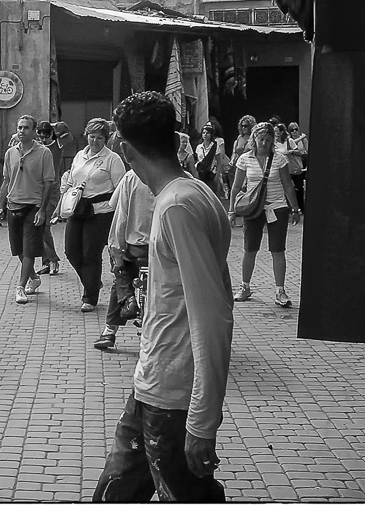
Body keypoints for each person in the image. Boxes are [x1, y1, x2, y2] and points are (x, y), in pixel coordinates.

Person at [93, 91, 233, 502]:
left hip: (173, 399)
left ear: (123, 147)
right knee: (112, 497)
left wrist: (202, 422)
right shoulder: (190, 193)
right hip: (151, 384)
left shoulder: (178, 206)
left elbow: (213, 315)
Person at [53, 118, 126, 312]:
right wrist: (60, 204)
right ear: (86, 136)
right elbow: (69, 182)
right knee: (71, 251)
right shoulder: (79, 156)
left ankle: (90, 297)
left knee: (90, 254)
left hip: (101, 211)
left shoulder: (112, 159)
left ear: (106, 139)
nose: (95, 141)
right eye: (92, 137)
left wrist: (117, 210)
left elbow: (121, 187)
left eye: (99, 138)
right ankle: (92, 282)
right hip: (78, 208)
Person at [228, 122, 302, 308]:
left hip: (277, 207)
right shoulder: (245, 159)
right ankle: (245, 286)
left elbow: (287, 185)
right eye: (261, 139)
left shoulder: (279, 159)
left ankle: (280, 290)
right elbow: (237, 186)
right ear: (254, 139)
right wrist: (232, 211)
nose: (264, 143)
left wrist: (295, 208)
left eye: (268, 140)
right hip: (253, 208)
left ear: (272, 141)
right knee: (250, 248)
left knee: (278, 249)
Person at [0, 115, 54, 305]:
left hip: (33, 207)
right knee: (18, 248)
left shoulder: (44, 153)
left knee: (29, 249)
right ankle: (34, 278)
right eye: (19, 127)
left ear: (34, 131)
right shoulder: (11, 153)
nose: (21, 131)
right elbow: (6, 181)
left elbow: (48, 183)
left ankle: (20, 286)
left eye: (26, 128)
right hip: (13, 205)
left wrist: (42, 210)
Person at [93, 168, 155, 350]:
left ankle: (110, 329)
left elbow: (118, 211)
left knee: (120, 270)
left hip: (137, 246)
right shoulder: (181, 177)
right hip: (165, 249)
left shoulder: (132, 176)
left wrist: (116, 248)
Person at [35, 122, 70, 275]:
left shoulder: (58, 145)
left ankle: (53, 260)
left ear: (51, 134)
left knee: (44, 226)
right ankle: (47, 263)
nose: (43, 140)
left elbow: (67, 133)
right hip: (38, 189)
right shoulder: (37, 147)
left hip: (52, 189)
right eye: (40, 136)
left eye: (46, 136)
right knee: (38, 227)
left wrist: (55, 124)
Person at [194, 122, 229, 198]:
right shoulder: (199, 147)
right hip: (201, 173)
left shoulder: (215, 147)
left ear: (211, 134)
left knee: (211, 196)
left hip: (211, 174)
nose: (205, 135)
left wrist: (217, 177)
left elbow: (219, 162)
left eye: (207, 133)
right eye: (203, 133)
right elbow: (197, 160)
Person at [287, 121, 309, 212]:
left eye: (296, 129)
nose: (295, 132)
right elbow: (290, 145)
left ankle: (302, 207)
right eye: (292, 130)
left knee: (300, 187)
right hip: (289, 166)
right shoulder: (288, 140)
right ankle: (292, 207)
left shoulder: (303, 139)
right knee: (290, 188)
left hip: (299, 166)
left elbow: (306, 152)